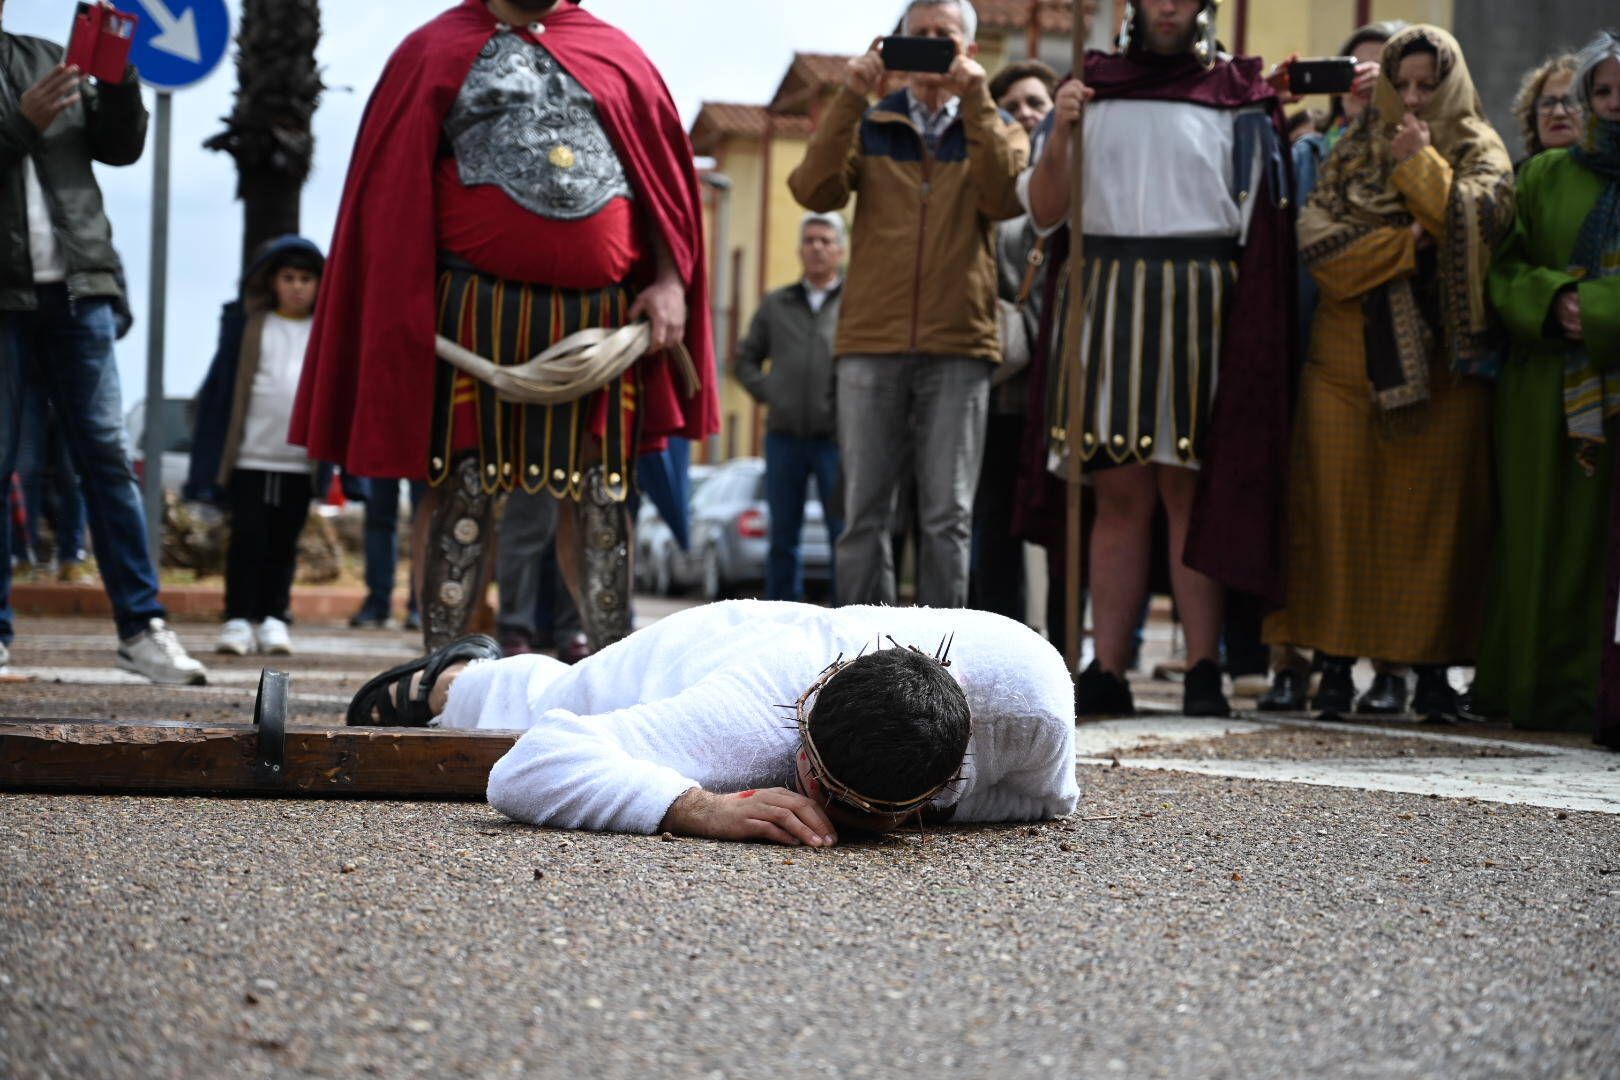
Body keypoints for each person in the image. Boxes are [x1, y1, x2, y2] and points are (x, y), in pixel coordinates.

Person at [290, 0, 719, 654]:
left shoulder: (616, 54)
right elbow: (390, 194)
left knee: (600, 496)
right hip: (469, 319)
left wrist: (669, 282)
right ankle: (443, 670)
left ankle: (609, 669)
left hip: (601, 323)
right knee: (460, 487)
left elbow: (660, 181)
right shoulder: (432, 51)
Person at [1022, 0, 1298, 718]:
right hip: (1106, 293)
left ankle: (1204, 665)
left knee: (1189, 487)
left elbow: (1260, 219)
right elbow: (1047, 212)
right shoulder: (1088, 89)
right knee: (1118, 493)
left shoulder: (1237, 96)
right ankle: (1107, 669)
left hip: (1201, 295)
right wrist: (1061, 133)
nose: (1168, 6)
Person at [347, 600, 1080, 844]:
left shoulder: (1037, 703)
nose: (798, 780)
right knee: (553, 698)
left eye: (827, 790)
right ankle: (450, 677)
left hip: (811, 636)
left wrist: (927, 813)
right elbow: (527, 766)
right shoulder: (748, 724)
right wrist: (694, 806)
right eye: (808, 760)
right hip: (717, 645)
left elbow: (1049, 801)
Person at [1264, 25, 1514, 723]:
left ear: (1452, 86)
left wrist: (1422, 168)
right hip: (1343, 368)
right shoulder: (1350, 153)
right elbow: (1322, 247)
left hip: (1447, 374)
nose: (1410, 98)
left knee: (1438, 527)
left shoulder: (1479, 150)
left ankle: (1433, 674)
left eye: (1426, 86)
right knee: (1337, 520)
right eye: (1401, 85)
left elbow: (1483, 230)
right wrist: (1409, 240)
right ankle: (1334, 671)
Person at [788, 0, 1029, 610]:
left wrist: (976, 101)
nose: (928, 45)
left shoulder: (995, 124)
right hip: (871, 340)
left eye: (942, 36)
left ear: (969, 51)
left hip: (959, 344)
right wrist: (850, 95)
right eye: (916, 36)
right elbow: (812, 188)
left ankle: (945, 662)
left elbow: (1005, 199)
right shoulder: (869, 123)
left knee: (949, 514)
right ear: (894, 47)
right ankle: (867, 658)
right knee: (865, 511)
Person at [0, 5, 207, 684]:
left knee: (109, 462)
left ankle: (142, 630)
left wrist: (119, 82)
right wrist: (20, 122)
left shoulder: (43, 53)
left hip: (80, 288)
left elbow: (119, 146)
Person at [1257, 20, 1404, 714]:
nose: (1361, 85)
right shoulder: (1304, 150)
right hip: (1304, 346)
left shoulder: (1410, 149)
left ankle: (1388, 662)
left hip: (1390, 349)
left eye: (1381, 74)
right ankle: (1289, 659)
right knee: (1303, 515)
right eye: (1353, 71)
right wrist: (1271, 100)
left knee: (1384, 513)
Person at [1483, 33, 1620, 738]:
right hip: (1542, 391)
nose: (1612, 105)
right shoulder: (1543, 175)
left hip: (1612, 381)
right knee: (1535, 537)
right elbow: (1503, 269)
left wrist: (1594, 310)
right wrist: (1550, 300)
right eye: (1602, 92)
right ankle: (1528, 688)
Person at [187, 238, 325, 657]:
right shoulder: (249, 324)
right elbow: (220, 391)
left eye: (306, 279)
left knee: (285, 540)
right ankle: (236, 619)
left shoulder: (326, 330)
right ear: (272, 281)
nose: (297, 287)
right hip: (249, 455)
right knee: (247, 537)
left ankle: (274, 618)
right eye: (288, 278)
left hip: (300, 461)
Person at [970, 60, 1057, 624]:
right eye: (1011, 105)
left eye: (1035, 102)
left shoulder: (1081, 185)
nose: (1024, 113)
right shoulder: (986, 192)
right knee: (994, 527)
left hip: (1060, 394)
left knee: (1060, 526)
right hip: (999, 394)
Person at [733, 212, 846, 603]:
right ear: (799, 249)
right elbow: (744, 360)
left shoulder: (855, 305)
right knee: (783, 536)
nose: (817, 247)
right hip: (784, 438)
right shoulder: (776, 304)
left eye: (825, 240)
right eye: (810, 240)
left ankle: (847, 618)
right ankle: (782, 614)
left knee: (841, 532)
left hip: (836, 439)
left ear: (840, 250)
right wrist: (772, 392)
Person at [348, 478, 423, 630]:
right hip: (381, 455)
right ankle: (377, 602)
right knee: (377, 519)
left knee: (425, 522)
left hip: (425, 456)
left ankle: (422, 604)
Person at [1512, 53, 1585, 164]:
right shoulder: (1516, 178)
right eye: (1548, 103)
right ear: (1533, 117)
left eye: (1571, 101)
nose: (1558, 113)